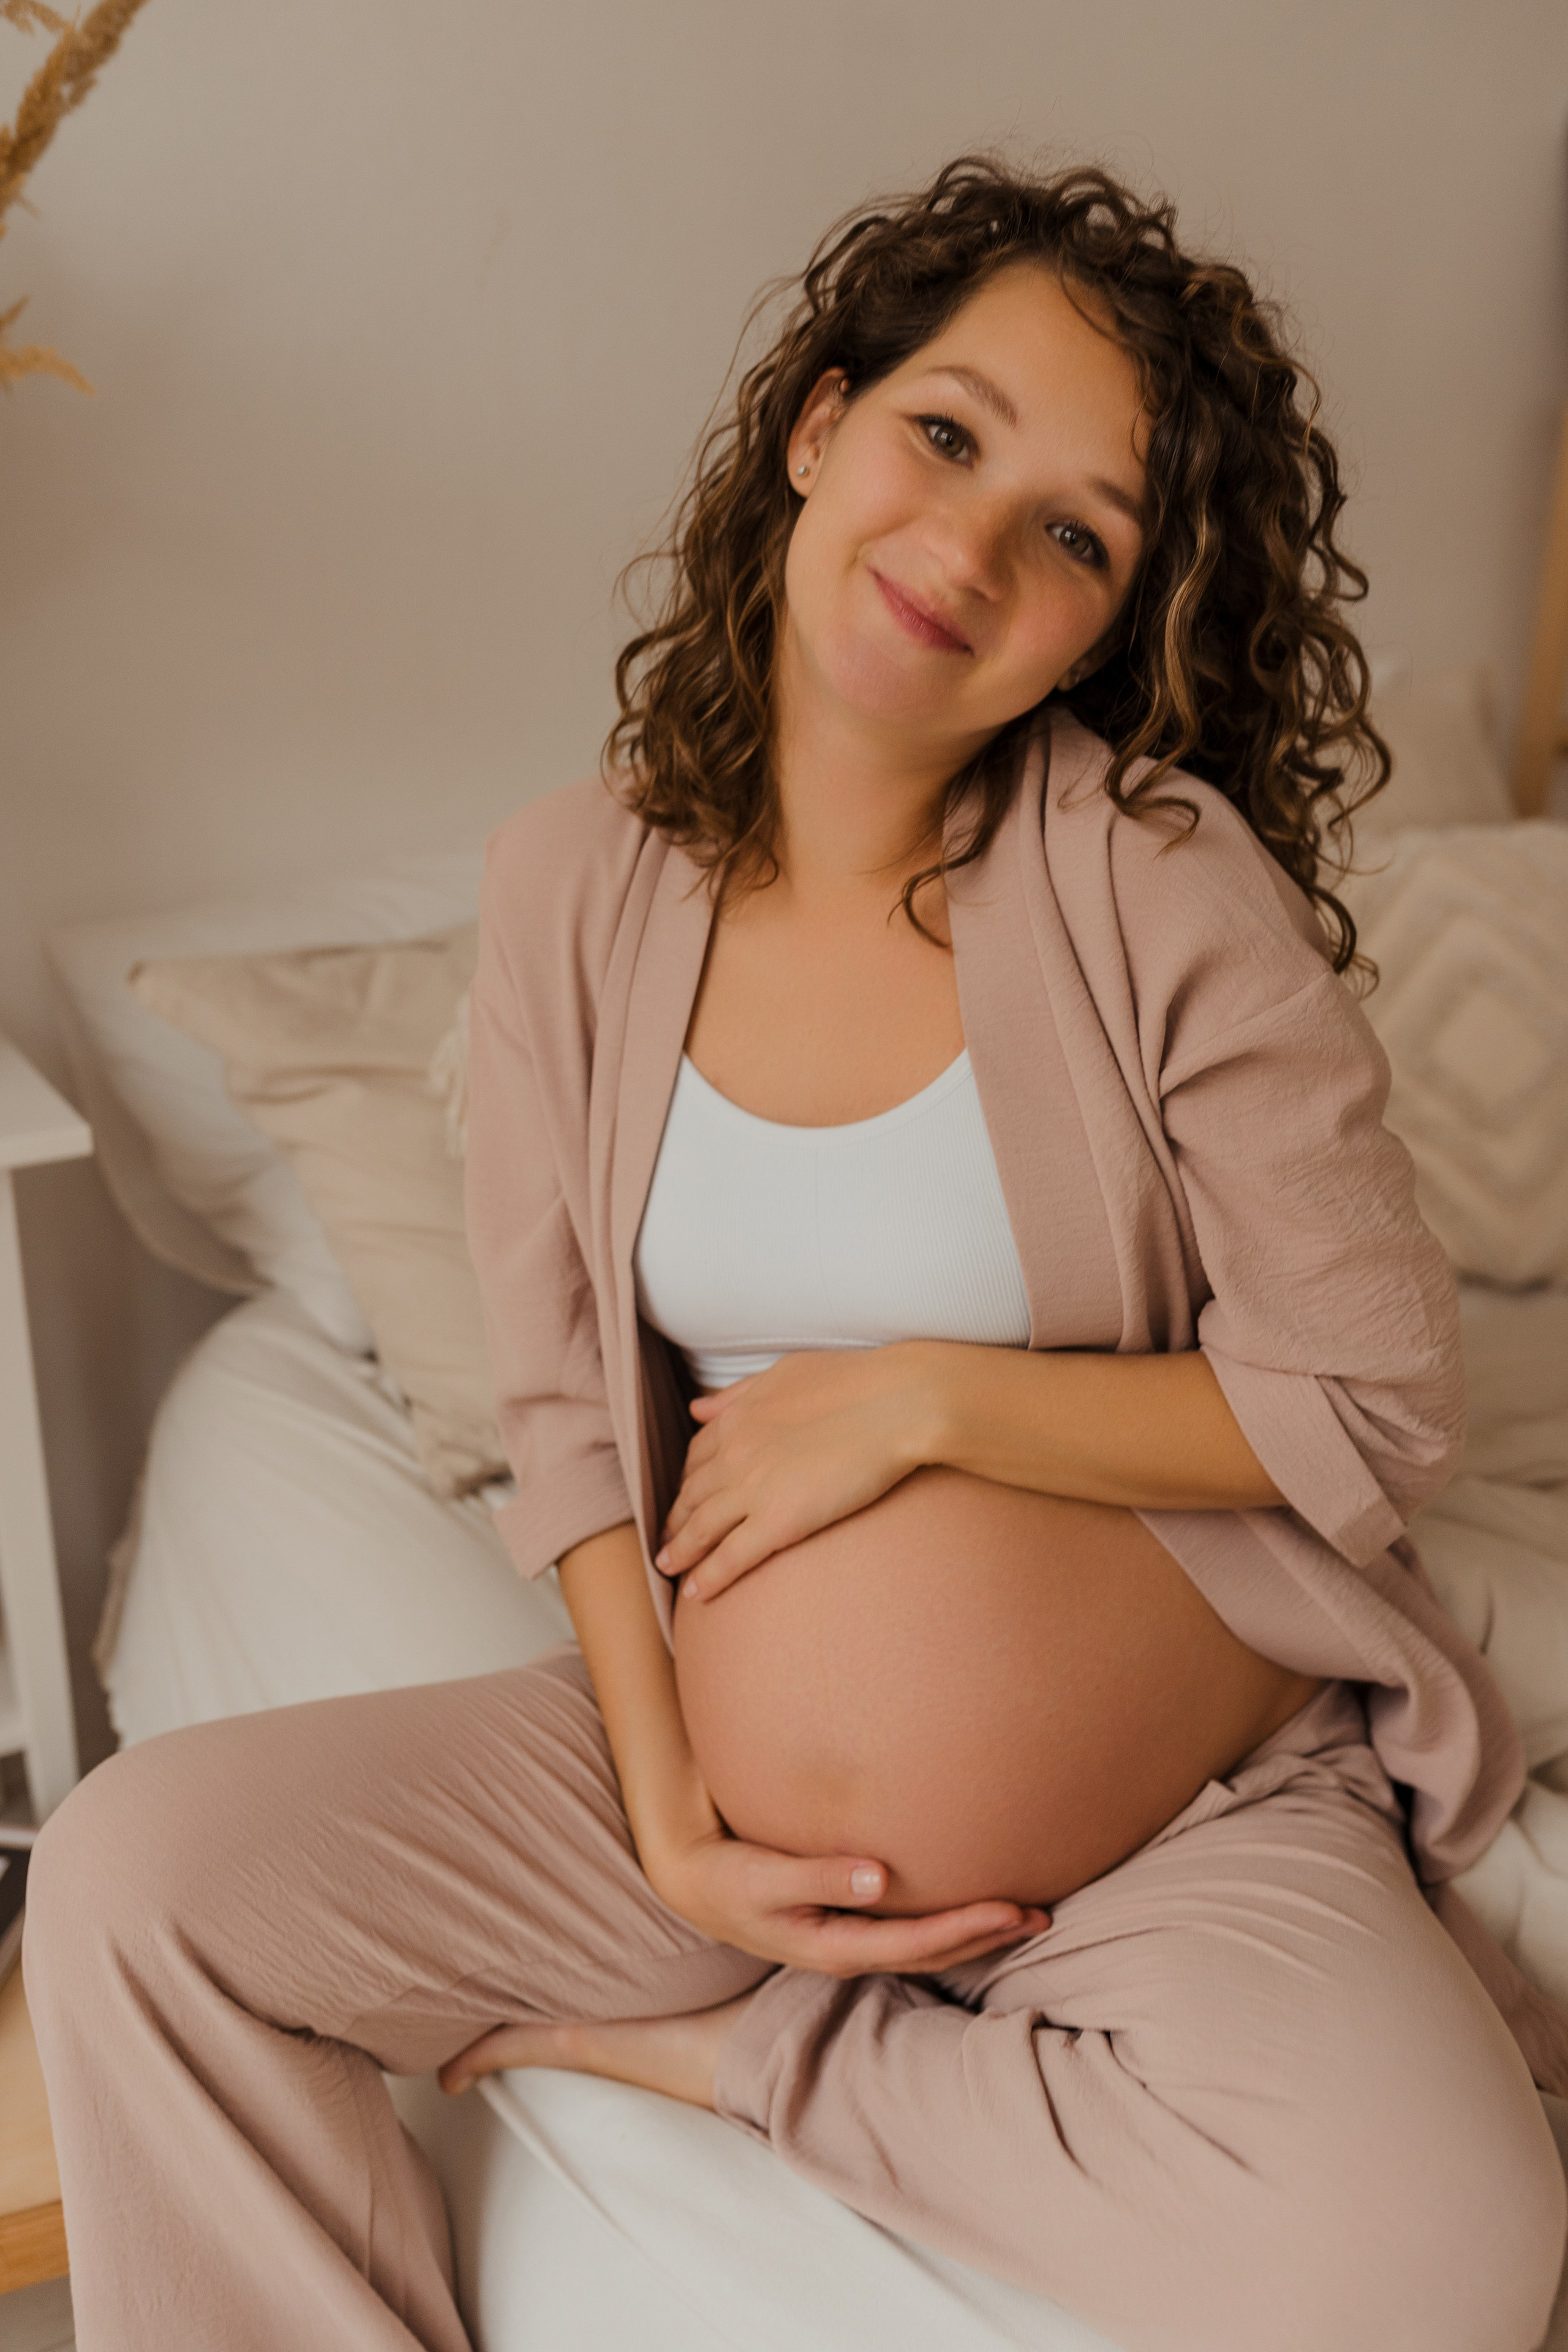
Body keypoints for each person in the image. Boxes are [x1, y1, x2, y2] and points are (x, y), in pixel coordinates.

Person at [24, 157, 1568, 2352]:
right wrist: (663, 1816)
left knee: (1443, 2255)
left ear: (1111, 628)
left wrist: (918, 1400)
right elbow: (564, 1409)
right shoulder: (574, 888)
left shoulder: (1153, 882)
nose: (971, 545)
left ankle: (768, 2066)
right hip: (710, 1796)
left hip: (1172, 1827)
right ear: (819, 428)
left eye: (1078, 534)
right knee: (130, 1889)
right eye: (949, 435)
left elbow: (1371, 1391)